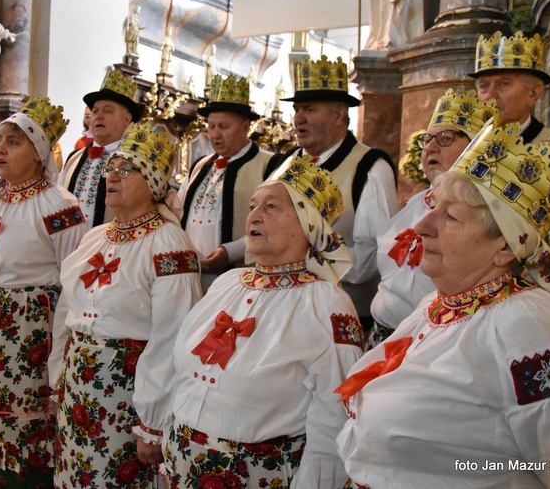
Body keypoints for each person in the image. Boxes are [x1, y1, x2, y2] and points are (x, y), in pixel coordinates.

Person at [336, 120, 550, 487]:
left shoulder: (531, 328)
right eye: (433, 208)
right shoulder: (436, 305)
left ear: (505, 246)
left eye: (451, 216)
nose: (422, 226)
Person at [165, 155, 364, 488]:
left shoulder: (327, 303)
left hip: (257, 475)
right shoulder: (228, 283)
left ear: (308, 224)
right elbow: (181, 371)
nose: (254, 215)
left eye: (271, 207)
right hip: (183, 464)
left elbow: (335, 417)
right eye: (253, 206)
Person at [48, 123, 202, 488]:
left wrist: (151, 420)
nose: (112, 177)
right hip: (79, 386)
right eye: (110, 169)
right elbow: (64, 316)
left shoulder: (171, 245)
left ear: (152, 183)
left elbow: (171, 336)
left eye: (127, 169)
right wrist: (58, 380)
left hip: (128, 395)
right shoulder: (94, 238)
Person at [0, 97, 87, 488]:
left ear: (38, 153)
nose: (0, 149)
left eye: (14, 142)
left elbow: (73, 283)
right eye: (0, 139)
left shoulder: (60, 206)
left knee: (27, 429)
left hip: (29, 330)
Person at [267, 55, 399, 329]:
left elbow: (373, 254)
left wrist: (304, 262)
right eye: (297, 110)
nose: (298, 119)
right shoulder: (283, 164)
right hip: (280, 309)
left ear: (339, 114)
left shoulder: (369, 166)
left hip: (341, 317)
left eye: (310, 109)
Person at [368, 88, 498, 346]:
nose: (430, 147)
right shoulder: (415, 203)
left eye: (446, 138)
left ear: (476, 148)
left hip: (436, 340)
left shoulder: (486, 212)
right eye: (427, 139)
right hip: (380, 335)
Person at [471, 30, 550, 267]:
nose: (489, 96)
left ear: (534, 93)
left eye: (504, 84)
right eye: (484, 86)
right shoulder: (468, 148)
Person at [178, 74, 272, 290]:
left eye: (224, 126)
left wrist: (231, 252)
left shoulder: (268, 165)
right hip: (191, 279)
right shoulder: (200, 165)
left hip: (241, 281)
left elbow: (275, 226)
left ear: (245, 126)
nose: (215, 135)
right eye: (211, 126)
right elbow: (176, 212)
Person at [59, 69, 143, 228]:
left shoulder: (138, 163)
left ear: (127, 119)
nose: (98, 116)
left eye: (107, 110)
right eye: (95, 110)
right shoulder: (73, 159)